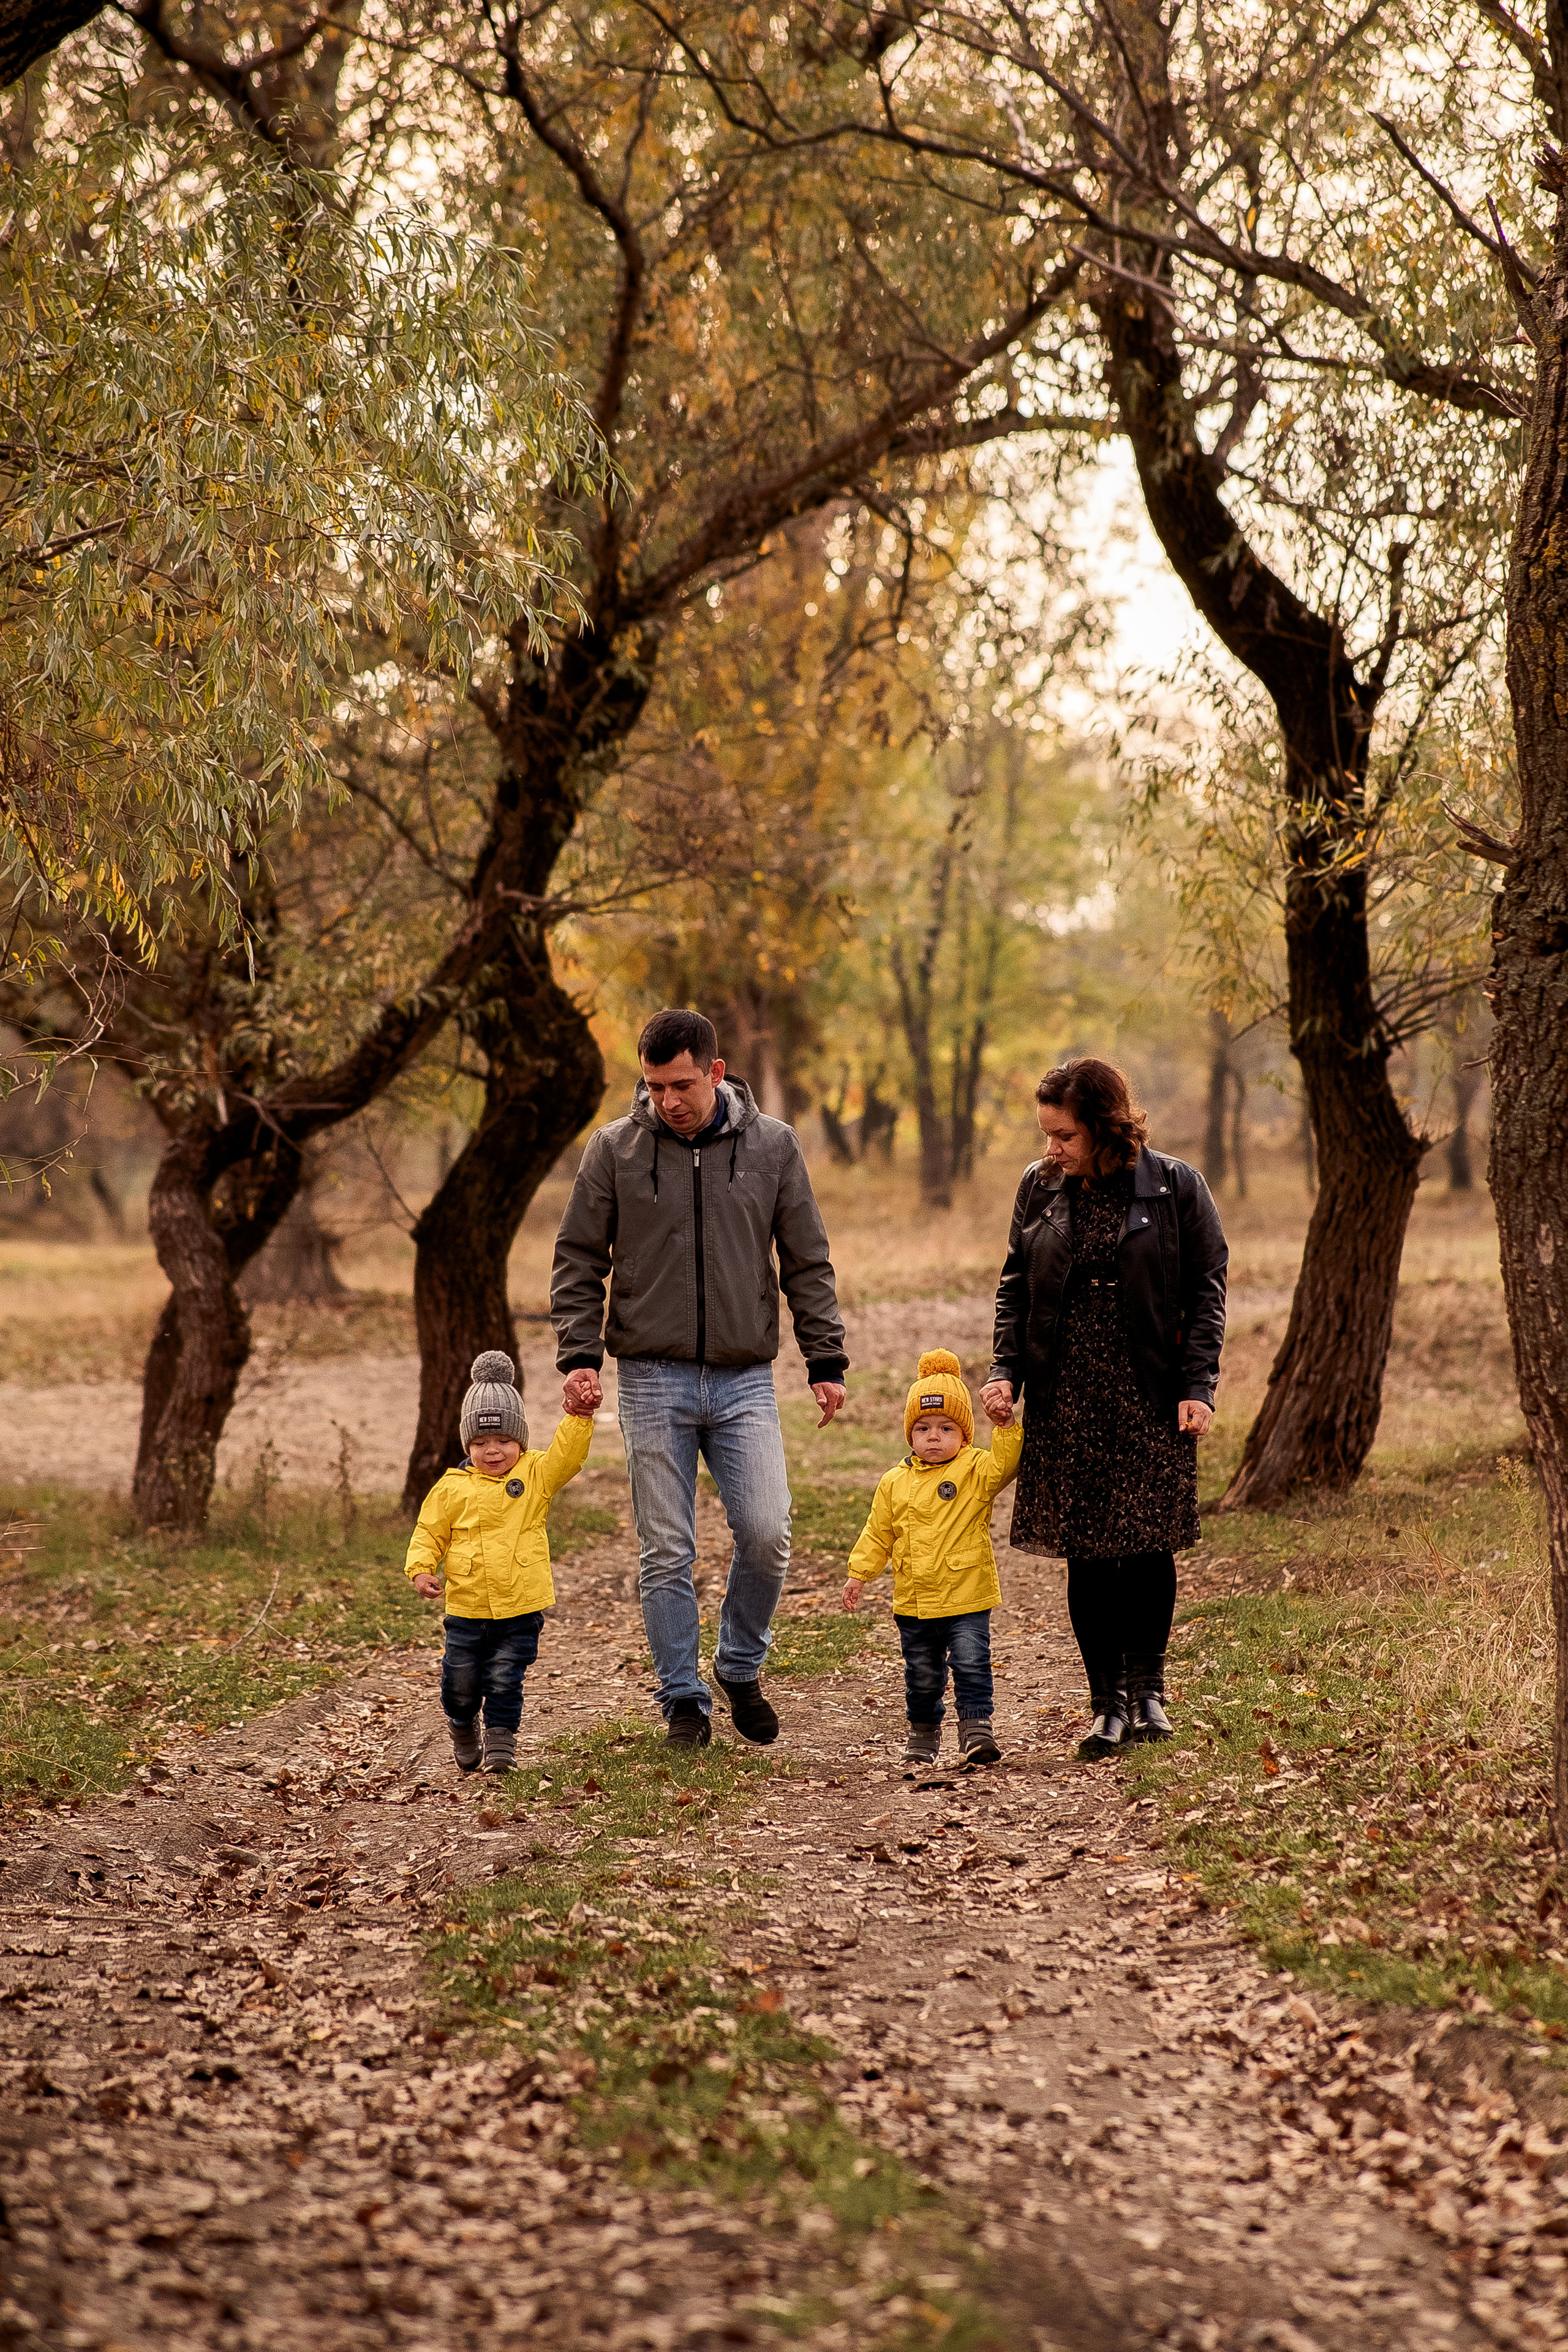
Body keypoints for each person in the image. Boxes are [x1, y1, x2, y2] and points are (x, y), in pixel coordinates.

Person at [550, 1007, 848, 1749]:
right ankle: (683, 1697)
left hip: (744, 1378)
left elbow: (806, 1258)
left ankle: (739, 1664)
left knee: (767, 1530)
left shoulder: (773, 1147)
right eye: (654, 1087)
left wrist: (825, 1359)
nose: (668, 1100)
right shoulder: (614, 1150)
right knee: (667, 1549)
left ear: (715, 1072)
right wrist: (579, 1355)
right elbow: (578, 1259)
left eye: (681, 1084)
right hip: (650, 1377)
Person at [981, 1058, 1227, 1760]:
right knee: (1086, 1553)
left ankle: (1149, 1692)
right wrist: (1005, 1372)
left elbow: (1206, 1286)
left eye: (1063, 1135)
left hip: (1150, 1391)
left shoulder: (1174, 1185)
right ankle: (1106, 1704)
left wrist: (1196, 1385)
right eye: (1046, 1135)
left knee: (1147, 1546)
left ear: (1102, 1125)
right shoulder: (1040, 1186)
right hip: (1068, 1392)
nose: (1050, 1149)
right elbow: (1016, 1284)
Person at [404, 1349, 595, 1776]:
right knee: (461, 1686)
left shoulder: (534, 1475)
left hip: (521, 1607)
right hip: (467, 1610)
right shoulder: (451, 1488)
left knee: (506, 1679)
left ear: (521, 1441)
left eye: (504, 1441)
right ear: (467, 1444)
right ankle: (462, 1726)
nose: (493, 1451)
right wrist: (421, 1569)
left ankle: (502, 1747)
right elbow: (428, 1532)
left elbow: (567, 1456)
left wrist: (579, 1418)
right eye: (480, 1443)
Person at [842, 1348, 1023, 1768]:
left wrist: (1006, 1426)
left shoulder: (975, 1470)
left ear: (964, 1433)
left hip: (968, 1596)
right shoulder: (893, 1482)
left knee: (971, 1664)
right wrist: (859, 1574)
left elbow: (1006, 1464)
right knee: (922, 1677)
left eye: (946, 1428)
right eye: (923, 1428)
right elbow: (878, 1532)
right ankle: (923, 1733)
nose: (934, 1437)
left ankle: (977, 1730)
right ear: (910, 1434)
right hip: (915, 1601)